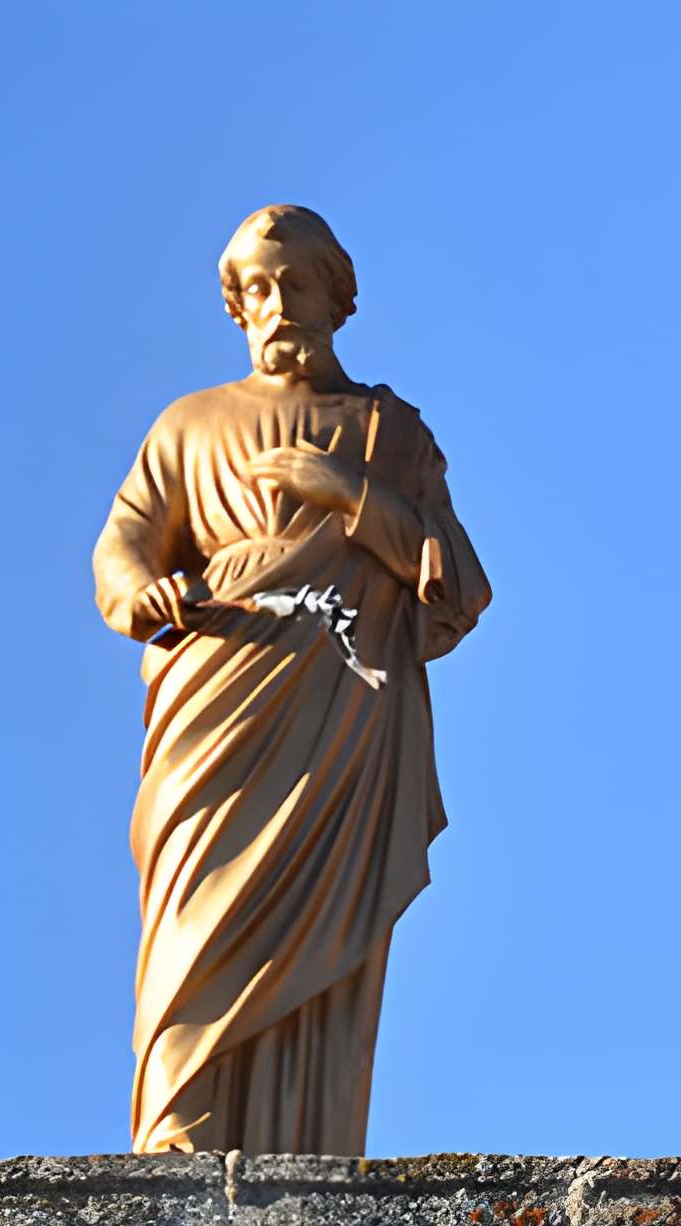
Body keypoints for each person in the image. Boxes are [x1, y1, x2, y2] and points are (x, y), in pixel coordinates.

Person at [91, 205, 491, 1154]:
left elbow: (460, 583)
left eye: (293, 284)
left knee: (325, 930)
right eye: (255, 289)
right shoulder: (188, 425)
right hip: (219, 693)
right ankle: (179, 1133)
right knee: (195, 908)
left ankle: (311, 1140)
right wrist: (145, 592)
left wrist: (350, 495)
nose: (274, 307)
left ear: (334, 294)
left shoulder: (391, 433)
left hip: (344, 714)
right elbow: (123, 546)